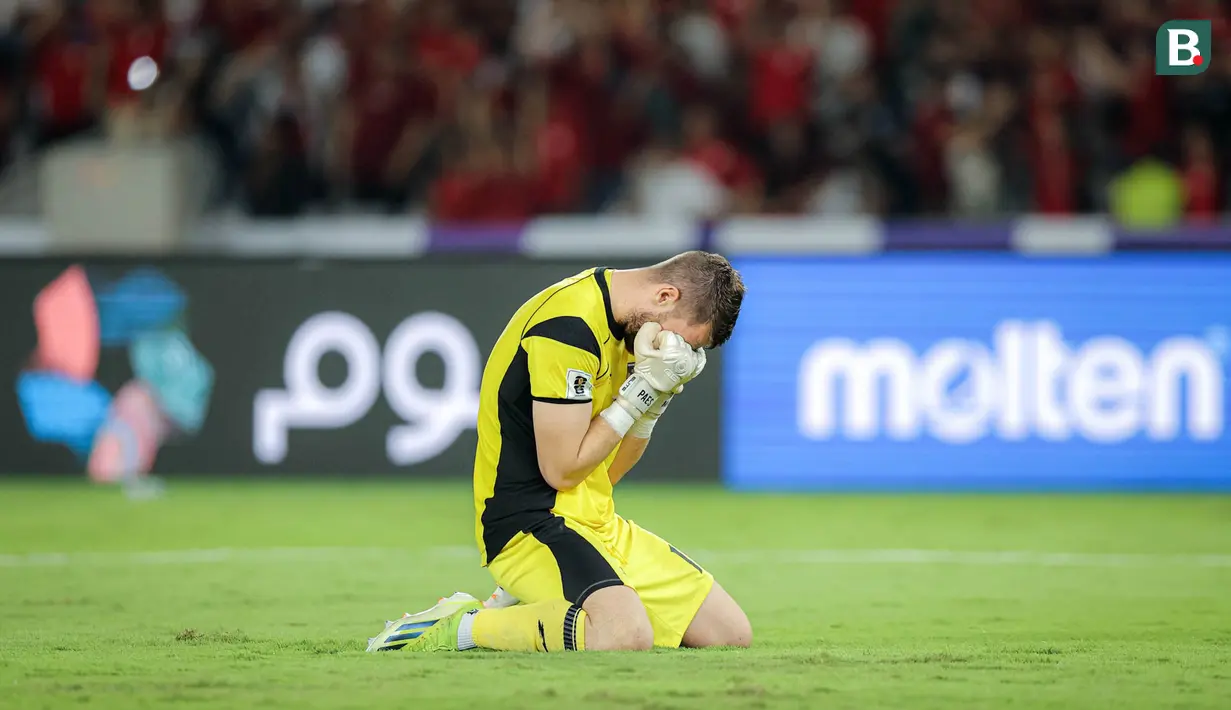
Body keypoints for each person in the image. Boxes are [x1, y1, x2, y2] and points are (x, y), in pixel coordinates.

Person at [367, 252, 751, 652]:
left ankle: (543, 598)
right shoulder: (568, 328)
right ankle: (461, 627)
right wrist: (639, 394)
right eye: (683, 339)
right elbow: (562, 472)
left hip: (596, 522)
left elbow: (609, 472)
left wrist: (655, 399)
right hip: (529, 522)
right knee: (623, 634)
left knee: (729, 634)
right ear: (666, 295)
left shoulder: (633, 328)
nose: (676, 351)